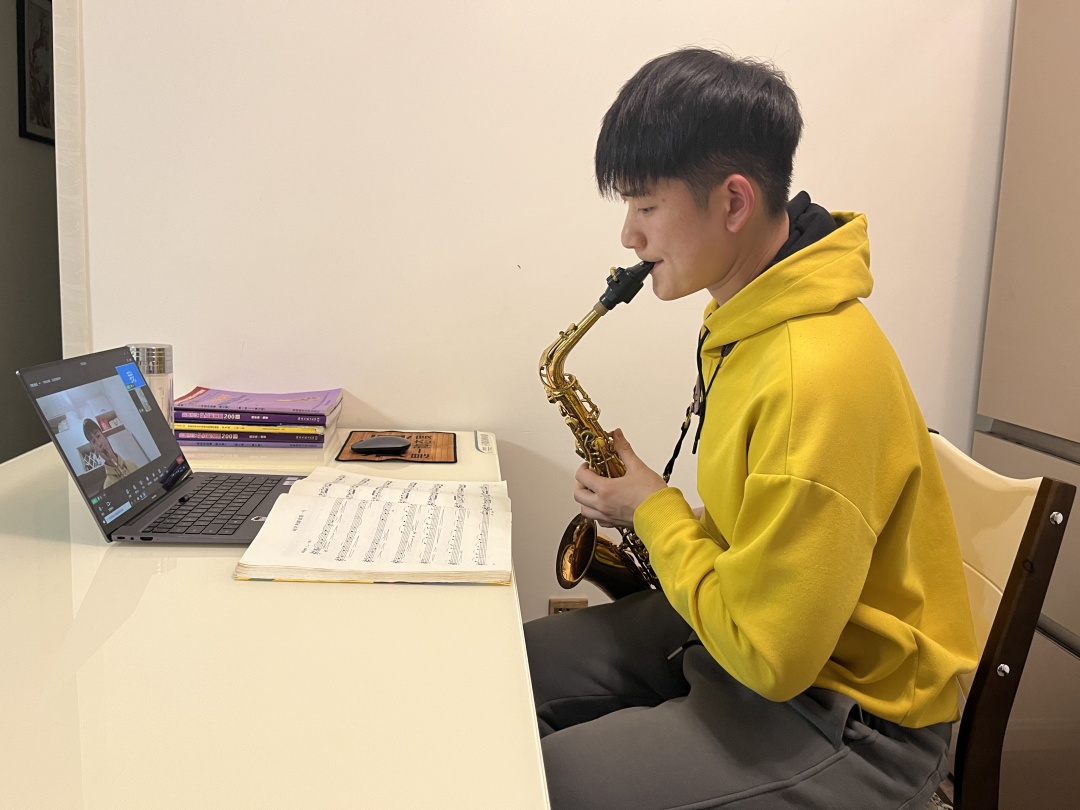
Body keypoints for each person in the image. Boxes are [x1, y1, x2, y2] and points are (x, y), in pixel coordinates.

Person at [524, 48, 979, 810]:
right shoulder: (747, 318)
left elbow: (771, 658)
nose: (629, 237)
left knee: (538, 784)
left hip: (851, 716)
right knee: (507, 671)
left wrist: (655, 510)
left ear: (733, 202)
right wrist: (658, 508)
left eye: (646, 207)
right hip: (764, 639)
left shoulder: (812, 376)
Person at [83, 418, 137, 488]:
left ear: (105, 436)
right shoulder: (107, 486)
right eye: (93, 441)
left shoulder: (132, 464)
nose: (99, 444)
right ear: (95, 450)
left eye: (98, 436)